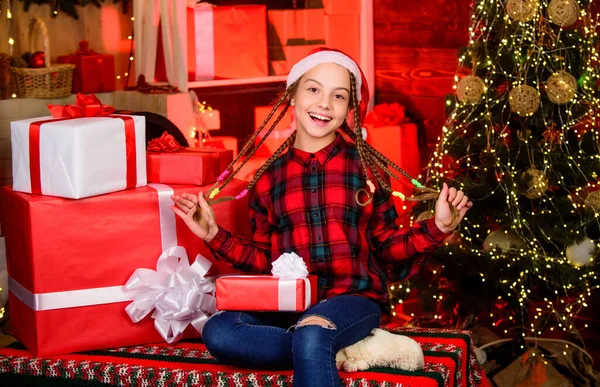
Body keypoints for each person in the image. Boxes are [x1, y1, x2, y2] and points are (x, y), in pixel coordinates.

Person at [170, 48, 473, 387]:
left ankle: (320, 341)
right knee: (220, 331)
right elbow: (264, 263)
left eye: (338, 95)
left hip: (353, 302)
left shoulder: (367, 170)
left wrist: (438, 227)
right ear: (293, 95)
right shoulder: (268, 180)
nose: (324, 103)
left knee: (314, 331)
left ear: (349, 109)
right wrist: (213, 234)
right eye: (313, 89)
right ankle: (334, 347)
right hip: (289, 306)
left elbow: (385, 248)